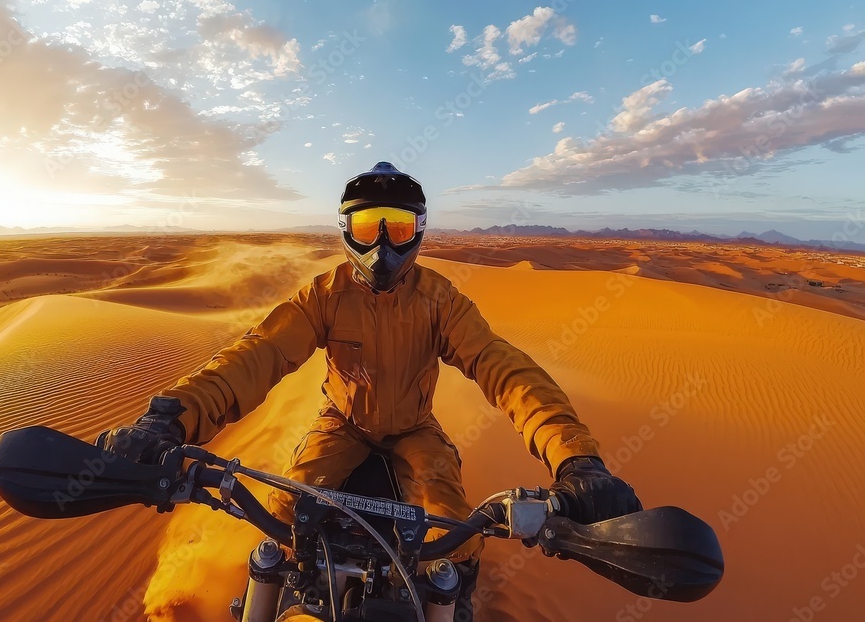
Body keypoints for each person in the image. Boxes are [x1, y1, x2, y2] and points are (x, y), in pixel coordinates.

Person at [98, 162, 641, 619]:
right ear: (345, 230)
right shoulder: (325, 294)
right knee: (284, 508)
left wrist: (577, 460)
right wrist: (170, 418)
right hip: (341, 424)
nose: (382, 244)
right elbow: (257, 355)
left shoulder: (440, 299)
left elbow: (503, 368)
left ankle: (455, 602)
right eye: (368, 227)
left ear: (420, 231)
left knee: (455, 531)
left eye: (398, 229)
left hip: (414, 431)